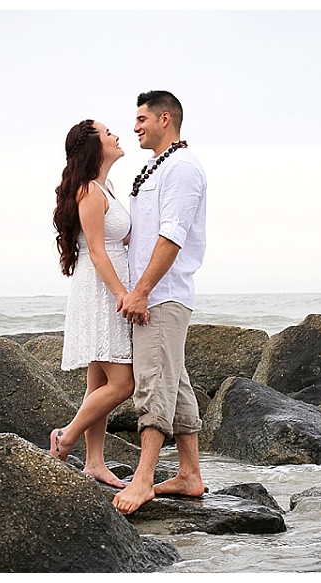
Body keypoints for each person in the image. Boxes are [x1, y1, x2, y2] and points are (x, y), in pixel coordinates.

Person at [113, 91, 208, 515]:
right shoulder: (156, 167)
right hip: (157, 293)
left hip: (163, 295)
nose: (135, 127)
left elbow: (173, 235)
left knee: (152, 382)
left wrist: (142, 291)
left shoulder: (183, 168)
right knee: (176, 381)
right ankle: (189, 475)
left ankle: (144, 479)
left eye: (141, 119)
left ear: (164, 118)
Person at [49, 119, 135, 488]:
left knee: (97, 381)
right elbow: (98, 252)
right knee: (123, 383)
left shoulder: (107, 186)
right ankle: (65, 437)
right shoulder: (89, 191)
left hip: (109, 284)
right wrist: (121, 295)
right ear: (94, 147)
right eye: (107, 132)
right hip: (101, 290)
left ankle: (94, 462)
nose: (116, 135)